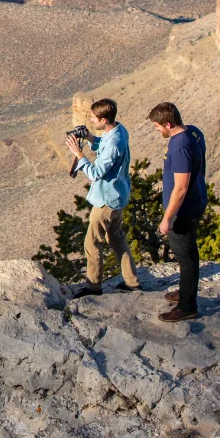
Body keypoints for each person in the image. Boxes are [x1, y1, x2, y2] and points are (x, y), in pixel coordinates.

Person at [65, 98, 141, 297]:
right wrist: (90, 137)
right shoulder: (118, 130)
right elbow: (103, 146)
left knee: (92, 243)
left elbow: (95, 173)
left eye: (93, 118)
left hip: (106, 201)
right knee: (116, 240)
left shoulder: (114, 142)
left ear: (104, 119)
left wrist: (78, 154)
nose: (90, 120)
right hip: (119, 196)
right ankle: (132, 282)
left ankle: (93, 287)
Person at [150, 101, 205, 322]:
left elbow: (181, 188)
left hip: (183, 211)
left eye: (157, 126)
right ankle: (184, 293)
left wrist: (167, 218)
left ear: (168, 124)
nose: (156, 130)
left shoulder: (180, 146)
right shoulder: (193, 132)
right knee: (186, 254)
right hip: (196, 200)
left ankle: (187, 306)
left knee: (185, 256)